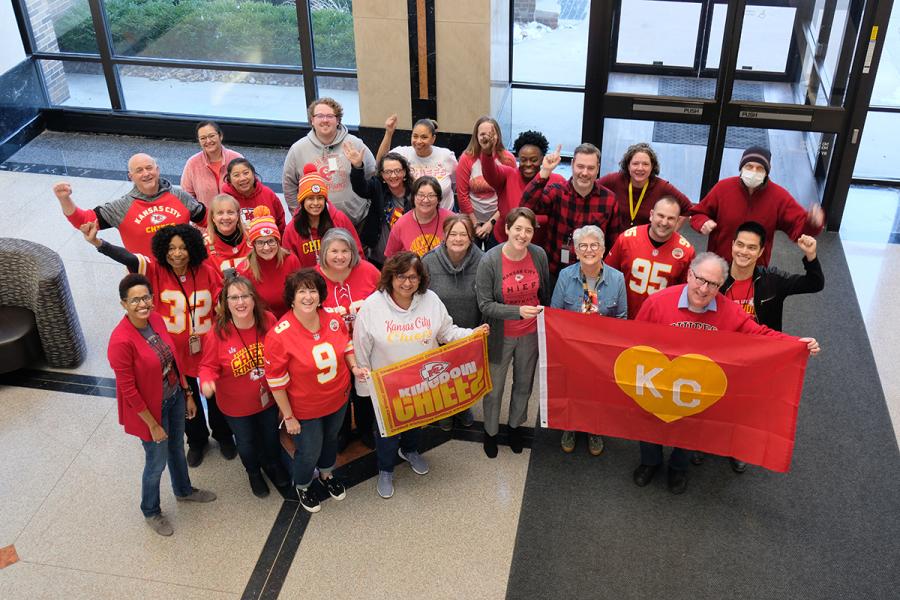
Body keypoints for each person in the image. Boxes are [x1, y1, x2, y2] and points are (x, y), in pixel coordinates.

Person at [633, 252, 821, 494]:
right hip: (659, 379)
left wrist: (796, 343)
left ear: (721, 285)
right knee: (651, 423)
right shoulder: (658, 302)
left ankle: (678, 467)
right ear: (689, 275)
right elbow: (635, 339)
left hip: (698, 386)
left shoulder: (728, 311)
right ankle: (650, 462)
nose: (703, 289)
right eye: (700, 279)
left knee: (692, 426)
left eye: (713, 284)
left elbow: (760, 335)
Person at [83, 222, 233, 467]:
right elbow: (128, 257)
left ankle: (223, 435)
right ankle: (197, 441)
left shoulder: (206, 270)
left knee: (217, 397)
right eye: (171, 248)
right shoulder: (155, 270)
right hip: (175, 355)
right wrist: (100, 244)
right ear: (163, 249)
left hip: (208, 351)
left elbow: (220, 298)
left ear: (192, 249)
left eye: (183, 247)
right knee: (186, 400)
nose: (177, 253)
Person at [353, 252, 488, 499]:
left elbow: (447, 332)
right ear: (390, 277)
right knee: (387, 433)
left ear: (421, 279)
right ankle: (385, 469)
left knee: (417, 422)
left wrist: (473, 334)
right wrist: (365, 387)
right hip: (388, 388)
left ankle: (410, 450)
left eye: (413, 277)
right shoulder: (372, 307)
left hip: (422, 384)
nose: (407, 283)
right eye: (401, 276)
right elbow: (361, 349)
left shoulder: (431, 300)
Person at [695, 222, 825, 473]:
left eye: (751, 248)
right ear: (732, 246)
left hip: (758, 358)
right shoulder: (716, 278)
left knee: (746, 406)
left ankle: (737, 448)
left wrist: (811, 256)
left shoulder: (772, 281)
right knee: (711, 399)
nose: (744, 252)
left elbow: (815, 283)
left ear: (761, 251)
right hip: (719, 353)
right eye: (740, 245)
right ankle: (704, 443)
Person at [109, 273, 216, 536]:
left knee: (177, 450)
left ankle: (183, 490)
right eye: (134, 300)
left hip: (174, 397)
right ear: (123, 304)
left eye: (146, 297)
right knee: (156, 462)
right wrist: (153, 425)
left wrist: (187, 393)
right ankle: (150, 510)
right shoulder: (120, 341)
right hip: (150, 411)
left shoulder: (156, 319)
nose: (142, 304)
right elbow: (128, 390)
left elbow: (174, 359)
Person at [266, 269, 368, 513]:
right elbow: (276, 382)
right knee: (309, 449)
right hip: (304, 408)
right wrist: (288, 416)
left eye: (313, 290)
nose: (308, 296)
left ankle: (326, 474)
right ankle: (302, 484)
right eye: (302, 291)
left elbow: (347, 345)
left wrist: (354, 367)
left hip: (338, 397)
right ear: (291, 297)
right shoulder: (279, 336)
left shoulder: (332, 317)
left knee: (331, 440)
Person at [199, 275, 290, 498]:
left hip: (268, 399)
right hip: (236, 407)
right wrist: (207, 381)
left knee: (270, 437)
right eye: (234, 297)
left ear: (253, 298)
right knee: (247, 444)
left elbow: (284, 347)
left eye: (245, 296)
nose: (240, 302)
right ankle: (253, 473)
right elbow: (207, 365)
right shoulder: (217, 333)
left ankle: (273, 465)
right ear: (225, 303)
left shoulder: (268, 320)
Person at [475, 208, 551, 458]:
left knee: (523, 385)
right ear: (507, 229)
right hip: (500, 335)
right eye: (518, 228)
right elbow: (485, 304)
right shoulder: (490, 260)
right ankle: (491, 432)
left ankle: (515, 427)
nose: (523, 234)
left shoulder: (538, 255)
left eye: (528, 230)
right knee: (494, 388)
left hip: (530, 335)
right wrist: (517, 311)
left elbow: (545, 294)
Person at [550, 225, 627, 455]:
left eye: (594, 245)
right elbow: (555, 313)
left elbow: (622, 317)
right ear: (576, 250)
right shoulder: (565, 276)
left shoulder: (617, 279)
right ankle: (571, 426)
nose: (589, 250)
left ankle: (594, 429)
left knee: (597, 391)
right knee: (572, 388)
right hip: (572, 347)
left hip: (601, 349)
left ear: (603, 249)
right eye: (583, 245)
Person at [690, 146, 825, 265]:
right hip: (718, 265)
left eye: (760, 168)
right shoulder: (723, 188)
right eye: (749, 166)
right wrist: (703, 222)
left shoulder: (779, 197)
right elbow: (698, 213)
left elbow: (798, 228)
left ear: (766, 172)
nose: (753, 171)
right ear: (741, 168)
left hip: (754, 269)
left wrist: (812, 223)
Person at [53, 153, 206, 256]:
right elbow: (84, 221)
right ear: (130, 176)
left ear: (157, 170)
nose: (146, 174)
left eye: (149, 168)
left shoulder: (180, 196)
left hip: (183, 271)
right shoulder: (122, 207)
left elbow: (207, 219)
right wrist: (64, 199)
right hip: (145, 277)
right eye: (139, 170)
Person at [315, 228, 381, 449]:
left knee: (364, 390)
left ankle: (365, 428)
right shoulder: (315, 278)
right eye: (334, 251)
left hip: (365, 346)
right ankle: (340, 432)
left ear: (353, 251)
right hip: (332, 350)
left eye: (345, 250)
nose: (340, 256)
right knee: (339, 393)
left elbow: (384, 302)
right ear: (324, 252)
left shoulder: (369, 271)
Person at [521, 143, 622, 277]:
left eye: (590, 168)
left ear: (597, 168)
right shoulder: (557, 192)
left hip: (590, 273)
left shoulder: (609, 200)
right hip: (554, 272)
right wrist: (545, 171)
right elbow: (526, 206)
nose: (585, 173)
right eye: (580, 166)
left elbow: (613, 243)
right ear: (573, 164)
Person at [422, 215, 485, 430]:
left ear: (471, 238)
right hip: (438, 331)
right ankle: (444, 410)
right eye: (453, 234)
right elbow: (419, 296)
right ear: (445, 236)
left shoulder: (483, 261)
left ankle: (462, 407)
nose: (458, 239)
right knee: (441, 375)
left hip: (469, 328)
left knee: (464, 374)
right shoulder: (429, 261)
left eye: (463, 234)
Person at [282, 97, 376, 224]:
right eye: (320, 116)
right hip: (316, 225)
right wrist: (298, 215)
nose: (325, 120)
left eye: (330, 116)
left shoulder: (355, 144)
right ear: (312, 120)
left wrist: (358, 166)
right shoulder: (298, 149)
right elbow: (289, 186)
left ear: (337, 120)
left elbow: (373, 176)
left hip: (357, 222)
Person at [604, 197, 696, 319]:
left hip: (660, 319)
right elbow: (607, 276)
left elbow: (685, 293)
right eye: (661, 216)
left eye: (670, 218)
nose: (664, 222)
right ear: (651, 215)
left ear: (678, 220)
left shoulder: (686, 251)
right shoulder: (627, 239)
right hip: (623, 315)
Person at [480, 130, 567, 247]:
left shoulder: (557, 180)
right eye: (523, 160)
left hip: (538, 248)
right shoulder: (508, 175)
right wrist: (487, 153)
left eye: (534, 160)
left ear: (542, 159)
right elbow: (490, 173)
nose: (528, 164)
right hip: (503, 243)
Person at [282, 163, 363, 267]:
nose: (316, 203)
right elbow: (289, 265)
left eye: (320, 198)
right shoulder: (291, 229)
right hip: (307, 282)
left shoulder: (339, 219)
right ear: (302, 201)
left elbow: (357, 252)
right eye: (310, 198)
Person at [598, 142, 692, 230]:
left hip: (645, 244)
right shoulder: (614, 180)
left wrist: (670, 233)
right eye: (635, 163)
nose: (640, 168)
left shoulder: (661, 187)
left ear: (652, 167)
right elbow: (591, 188)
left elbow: (688, 208)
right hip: (616, 241)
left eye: (645, 164)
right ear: (628, 165)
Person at [347, 147, 413, 267]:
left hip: (407, 259)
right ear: (382, 175)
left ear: (404, 172)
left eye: (397, 171)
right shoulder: (378, 186)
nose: (393, 175)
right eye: (388, 172)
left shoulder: (414, 194)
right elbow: (361, 189)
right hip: (378, 258)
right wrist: (357, 167)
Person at [456, 117, 516, 246]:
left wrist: (492, 223)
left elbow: (510, 196)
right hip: (472, 218)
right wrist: (476, 225)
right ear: (476, 137)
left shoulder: (508, 159)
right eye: (482, 134)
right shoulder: (466, 158)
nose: (486, 137)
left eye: (491, 134)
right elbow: (462, 195)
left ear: (498, 135)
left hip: (498, 219)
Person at [377, 115, 458, 211]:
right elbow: (381, 163)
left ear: (433, 139)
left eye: (424, 137)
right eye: (415, 136)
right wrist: (389, 133)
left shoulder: (446, 156)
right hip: (417, 216)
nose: (418, 141)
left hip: (446, 215)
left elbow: (456, 182)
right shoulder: (403, 153)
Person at [237, 206, 302, 318]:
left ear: (278, 242)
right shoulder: (244, 269)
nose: (266, 248)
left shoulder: (291, 260)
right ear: (253, 245)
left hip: (293, 320)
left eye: (271, 241)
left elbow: (301, 295)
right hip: (261, 323)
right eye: (261, 243)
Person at [384, 176, 454, 257]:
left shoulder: (451, 219)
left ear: (438, 199)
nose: (425, 200)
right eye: (421, 195)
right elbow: (390, 257)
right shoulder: (401, 224)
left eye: (431, 195)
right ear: (413, 197)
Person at [180, 121, 244, 208]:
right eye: (203, 138)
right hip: (204, 220)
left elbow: (248, 188)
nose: (208, 141)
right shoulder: (192, 163)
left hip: (234, 217)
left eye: (211, 136)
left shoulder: (236, 158)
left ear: (220, 136)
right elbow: (186, 196)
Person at [221, 158, 286, 235]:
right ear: (229, 179)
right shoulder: (224, 199)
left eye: (246, 173)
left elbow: (281, 225)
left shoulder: (268, 194)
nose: (242, 178)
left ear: (253, 174)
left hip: (267, 245)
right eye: (236, 175)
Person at [204, 194, 252, 274]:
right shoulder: (204, 245)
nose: (226, 217)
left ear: (237, 215)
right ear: (213, 217)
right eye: (220, 213)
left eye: (230, 212)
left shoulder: (252, 236)